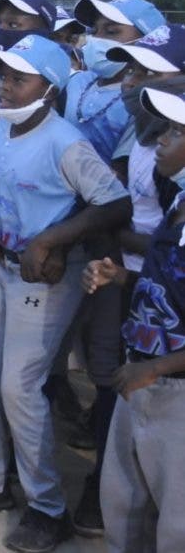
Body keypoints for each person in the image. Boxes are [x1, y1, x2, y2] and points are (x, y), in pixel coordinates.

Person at [0, 34, 131, 553]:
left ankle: (48, 507)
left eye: (19, 79)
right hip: (1, 264)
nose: (6, 86)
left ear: (49, 87)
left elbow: (114, 205)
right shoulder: (6, 127)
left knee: (19, 387)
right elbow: (4, 181)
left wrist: (52, 238)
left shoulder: (67, 142)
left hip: (44, 278)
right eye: (2, 76)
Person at [85, 85, 185, 553]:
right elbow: (168, 283)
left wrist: (157, 368)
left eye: (178, 132)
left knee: (175, 523)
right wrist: (121, 277)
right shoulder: (178, 204)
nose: (162, 140)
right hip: (142, 370)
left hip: (170, 387)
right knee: (124, 504)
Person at [68, 0, 166, 162]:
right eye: (94, 30)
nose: (96, 38)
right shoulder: (77, 80)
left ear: (146, 39)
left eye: (111, 31)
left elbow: (121, 171)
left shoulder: (142, 101)